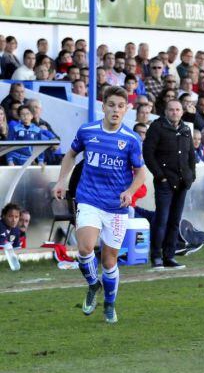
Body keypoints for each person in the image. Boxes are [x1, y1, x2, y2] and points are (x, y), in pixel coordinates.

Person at [52, 86, 145, 324]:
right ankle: (94, 285)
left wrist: (130, 191)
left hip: (115, 206)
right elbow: (70, 155)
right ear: (103, 106)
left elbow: (141, 173)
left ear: (126, 110)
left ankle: (110, 304)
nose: (115, 110)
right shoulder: (87, 131)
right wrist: (62, 180)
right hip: (89, 199)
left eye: (120, 106)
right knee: (85, 248)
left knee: (109, 260)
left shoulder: (131, 139)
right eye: (111, 105)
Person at [143, 99, 196, 270]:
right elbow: (148, 154)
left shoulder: (186, 129)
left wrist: (191, 176)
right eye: (171, 109)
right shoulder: (157, 128)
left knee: (175, 221)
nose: (174, 112)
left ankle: (169, 256)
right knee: (162, 219)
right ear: (165, 111)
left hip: (182, 182)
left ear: (182, 112)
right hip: (164, 182)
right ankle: (156, 257)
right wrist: (160, 176)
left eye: (177, 109)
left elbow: (191, 155)